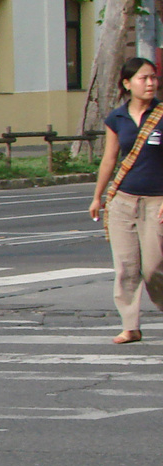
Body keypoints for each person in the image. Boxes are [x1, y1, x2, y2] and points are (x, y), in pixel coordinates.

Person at [90, 56, 163, 343]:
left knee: (154, 267)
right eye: (144, 78)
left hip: (157, 202)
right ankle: (130, 325)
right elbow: (109, 159)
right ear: (127, 83)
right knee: (125, 266)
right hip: (123, 200)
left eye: (153, 78)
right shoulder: (116, 118)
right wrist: (98, 197)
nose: (150, 83)